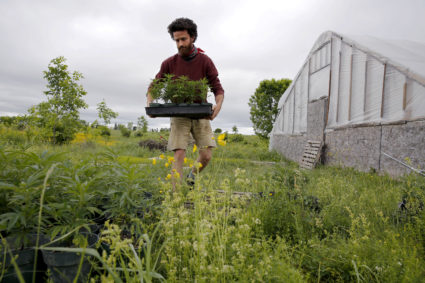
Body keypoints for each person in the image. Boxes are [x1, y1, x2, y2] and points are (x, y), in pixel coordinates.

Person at [146, 18, 224, 187]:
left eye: (183, 39)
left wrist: (218, 105)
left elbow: (218, 88)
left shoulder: (205, 61)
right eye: (176, 40)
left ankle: (191, 177)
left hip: (200, 113)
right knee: (179, 153)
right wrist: (150, 105)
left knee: (206, 155)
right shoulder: (169, 63)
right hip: (179, 113)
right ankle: (176, 197)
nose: (180, 44)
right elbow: (154, 86)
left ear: (193, 38)